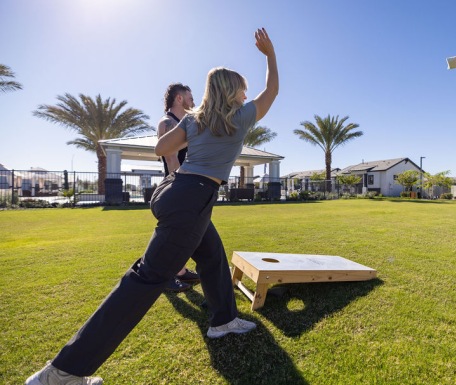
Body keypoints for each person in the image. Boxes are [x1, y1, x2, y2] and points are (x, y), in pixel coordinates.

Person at [26, 27, 278, 385]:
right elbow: (273, 91)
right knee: (145, 280)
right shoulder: (238, 118)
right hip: (192, 198)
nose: (247, 93)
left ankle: (223, 320)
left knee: (212, 254)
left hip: (180, 192)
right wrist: (270, 54)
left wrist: (188, 127)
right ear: (231, 92)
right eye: (242, 88)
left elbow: (161, 148)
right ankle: (63, 372)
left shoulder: (194, 120)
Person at [157, 82, 200, 293]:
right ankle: (166, 276)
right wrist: (181, 187)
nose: (194, 101)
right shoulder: (167, 123)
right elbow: (171, 157)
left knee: (183, 232)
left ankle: (180, 271)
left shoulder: (184, 123)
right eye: (190, 97)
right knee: (173, 233)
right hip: (176, 185)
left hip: (185, 185)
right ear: (179, 98)